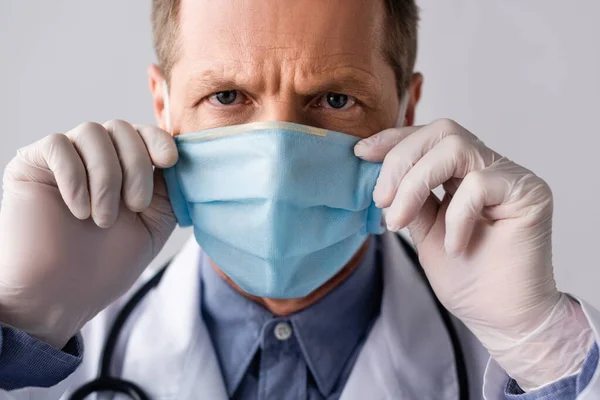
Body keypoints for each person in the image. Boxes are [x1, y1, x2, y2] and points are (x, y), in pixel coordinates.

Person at [0, 0, 598, 399]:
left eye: (335, 100)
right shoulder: (42, 360)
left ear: (407, 110)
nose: (279, 156)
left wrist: (540, 342)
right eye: (228, 95)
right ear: (163, 106)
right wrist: (20, 321)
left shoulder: (521, 366)